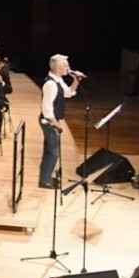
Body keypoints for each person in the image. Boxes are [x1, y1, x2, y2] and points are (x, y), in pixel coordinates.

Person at [38, 54, 82, 190]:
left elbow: (68, 93)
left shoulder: (58, 79)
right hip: (49, 121)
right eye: (65, 65)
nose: (68, 68)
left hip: (53, 120)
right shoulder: (50, 84)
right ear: (57, 68)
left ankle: (45, 178)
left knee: (50, 151)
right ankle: (45, 181)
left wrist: (76, 81)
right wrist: (56, 125)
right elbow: (46, 109)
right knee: (54, 152)